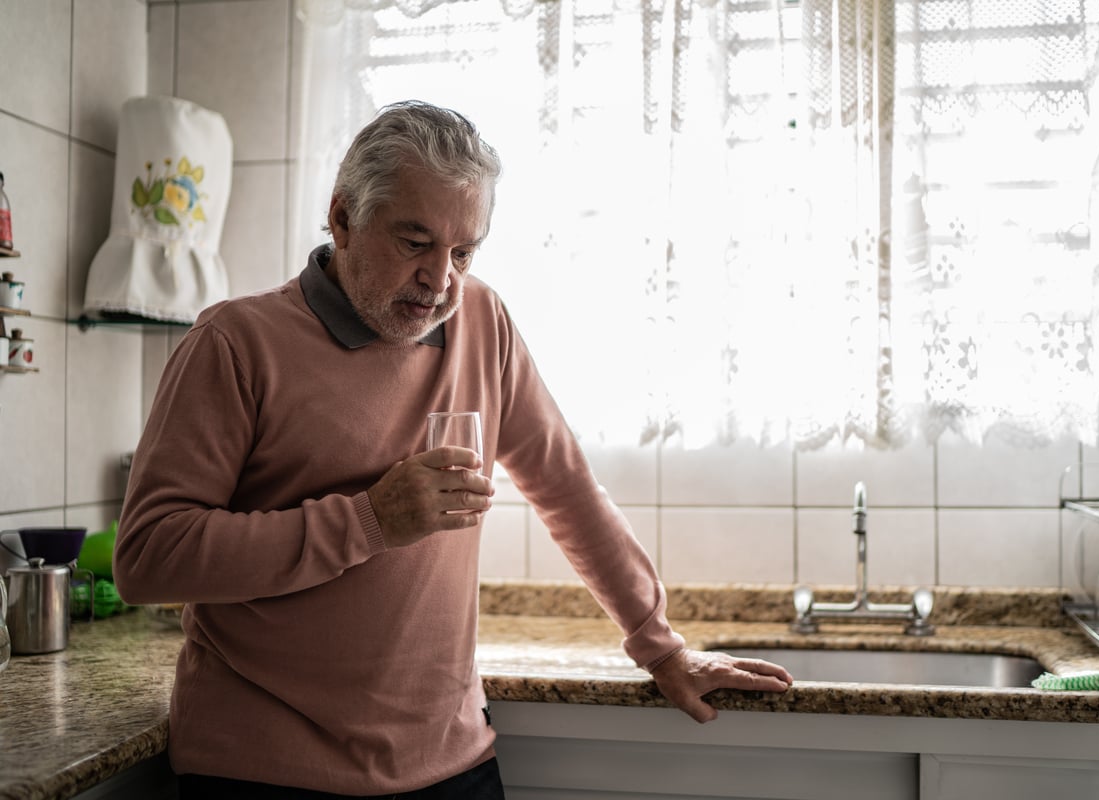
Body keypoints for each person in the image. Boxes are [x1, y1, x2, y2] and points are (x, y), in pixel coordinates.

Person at [114, 100, 792, 800]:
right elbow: (148, 558)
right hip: (260, 771)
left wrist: (660, 645)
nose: (441, 280)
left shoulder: (483, 319)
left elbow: (563, 485)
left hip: (450, 766)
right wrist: (369, 520)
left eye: (463, 252)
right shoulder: (234, 343)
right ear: (343, 217)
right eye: (415, 243)